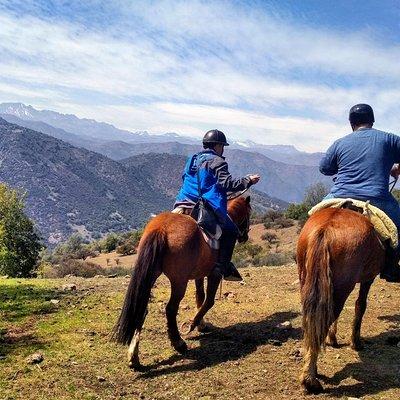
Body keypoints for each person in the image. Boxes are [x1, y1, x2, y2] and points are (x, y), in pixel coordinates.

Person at [320, 103, 400, 282]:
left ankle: (304, 256)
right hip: (376, 198)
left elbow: (324, 168)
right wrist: (395, 167)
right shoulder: (388, 139)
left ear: (351, 123)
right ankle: (391, 268)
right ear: (372, 121)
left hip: (338, 195)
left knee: (314, 218)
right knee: (398, 228)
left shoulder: (339, 143)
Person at [175, 129, 260, 281]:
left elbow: (185, 178)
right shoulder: (218, 161)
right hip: (204, 206)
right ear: (217, 146)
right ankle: (221, 267)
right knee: (232, 230)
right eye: (222, 146)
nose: (223, 150)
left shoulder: (193, 159)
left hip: (182, 203)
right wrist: (248, 180)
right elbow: (228, 183)